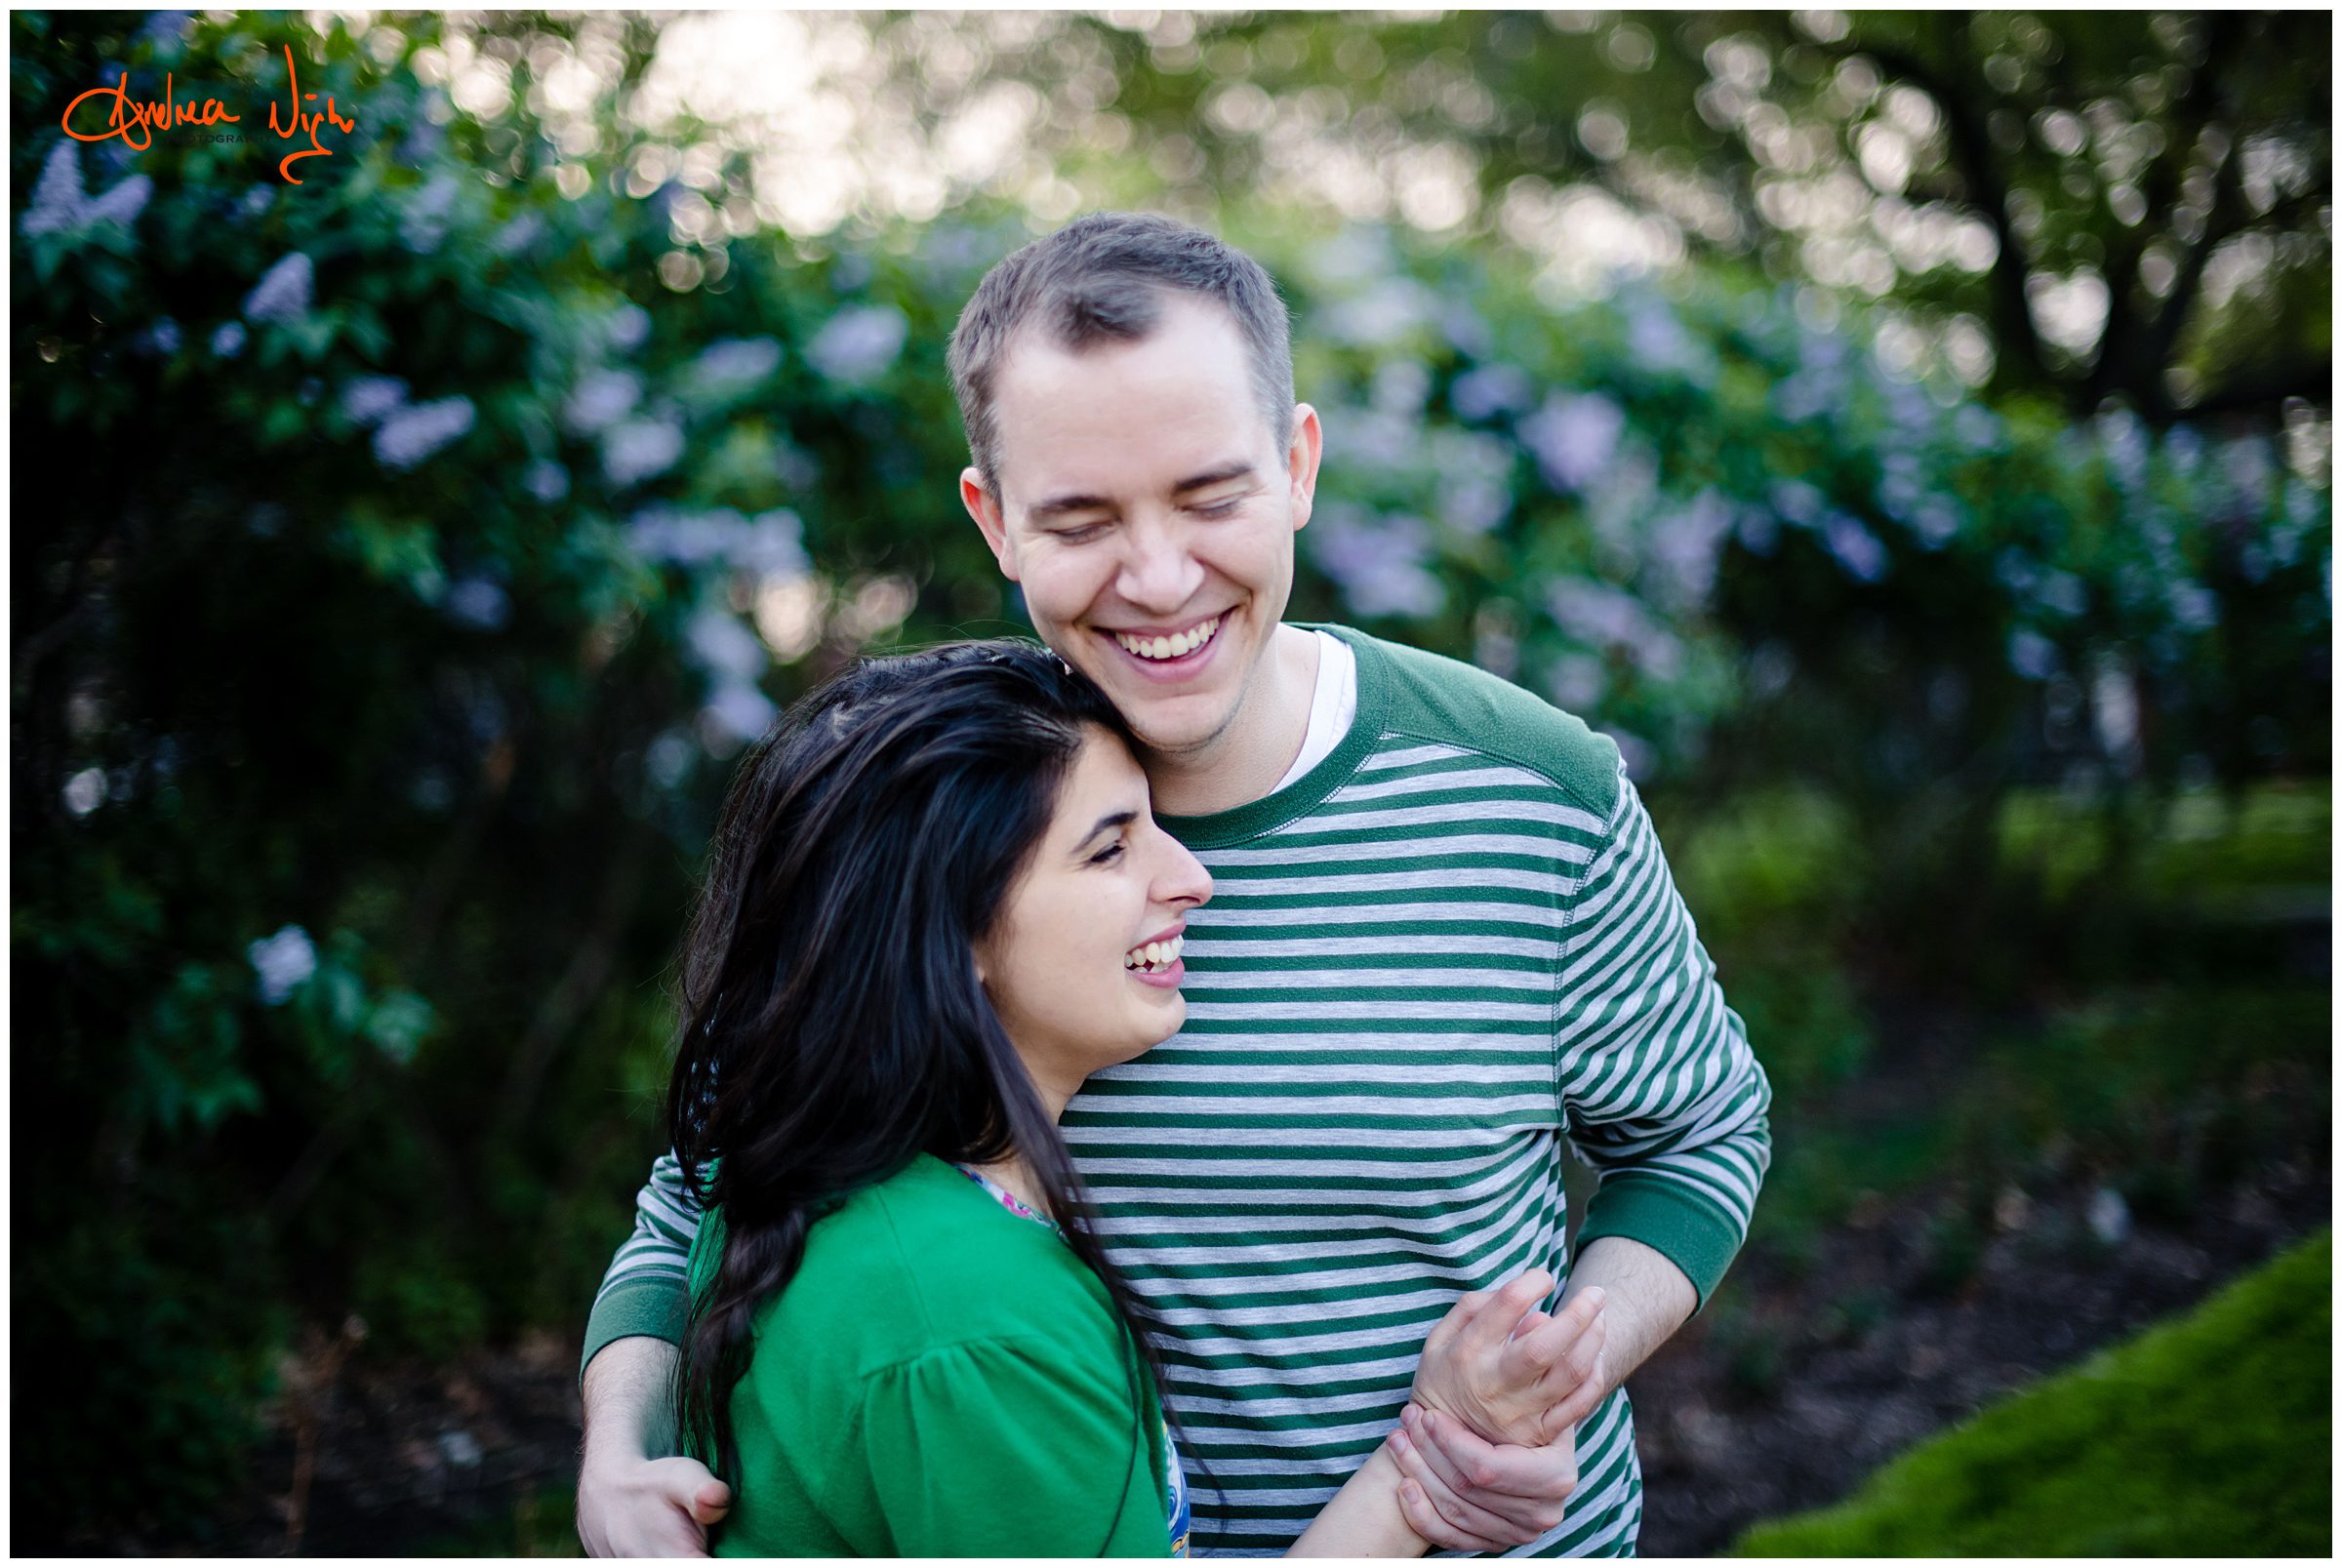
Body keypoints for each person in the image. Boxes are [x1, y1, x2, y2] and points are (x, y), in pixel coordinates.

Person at [577, 213, 1773, 1557]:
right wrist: (618, 1448)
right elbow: (711, 1181)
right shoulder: (929, 816)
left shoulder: (1533, 789)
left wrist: (1541, 1383)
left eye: (1210, 497)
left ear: (1298, 464)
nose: (1158, 579)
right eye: (1081, 519)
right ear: (995, 520)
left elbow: (1698, 1135)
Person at [663, 640, 1611, 1555]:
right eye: (1111, 849)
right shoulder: (978, 1333)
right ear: (953, 935)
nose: (1194, 878)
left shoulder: (813, 1196)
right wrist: (1423, 1465)